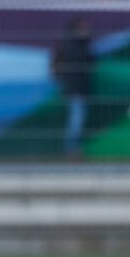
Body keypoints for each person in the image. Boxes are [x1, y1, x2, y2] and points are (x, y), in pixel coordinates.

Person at [52, 17, 94, 157]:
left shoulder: (81, 45)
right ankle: (71, 149)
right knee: (76, 119)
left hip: (81, 88)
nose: (86, 31)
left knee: (79, 118)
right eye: (83, 28)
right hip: (74, 89)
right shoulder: (72, 46)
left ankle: (74, 149)